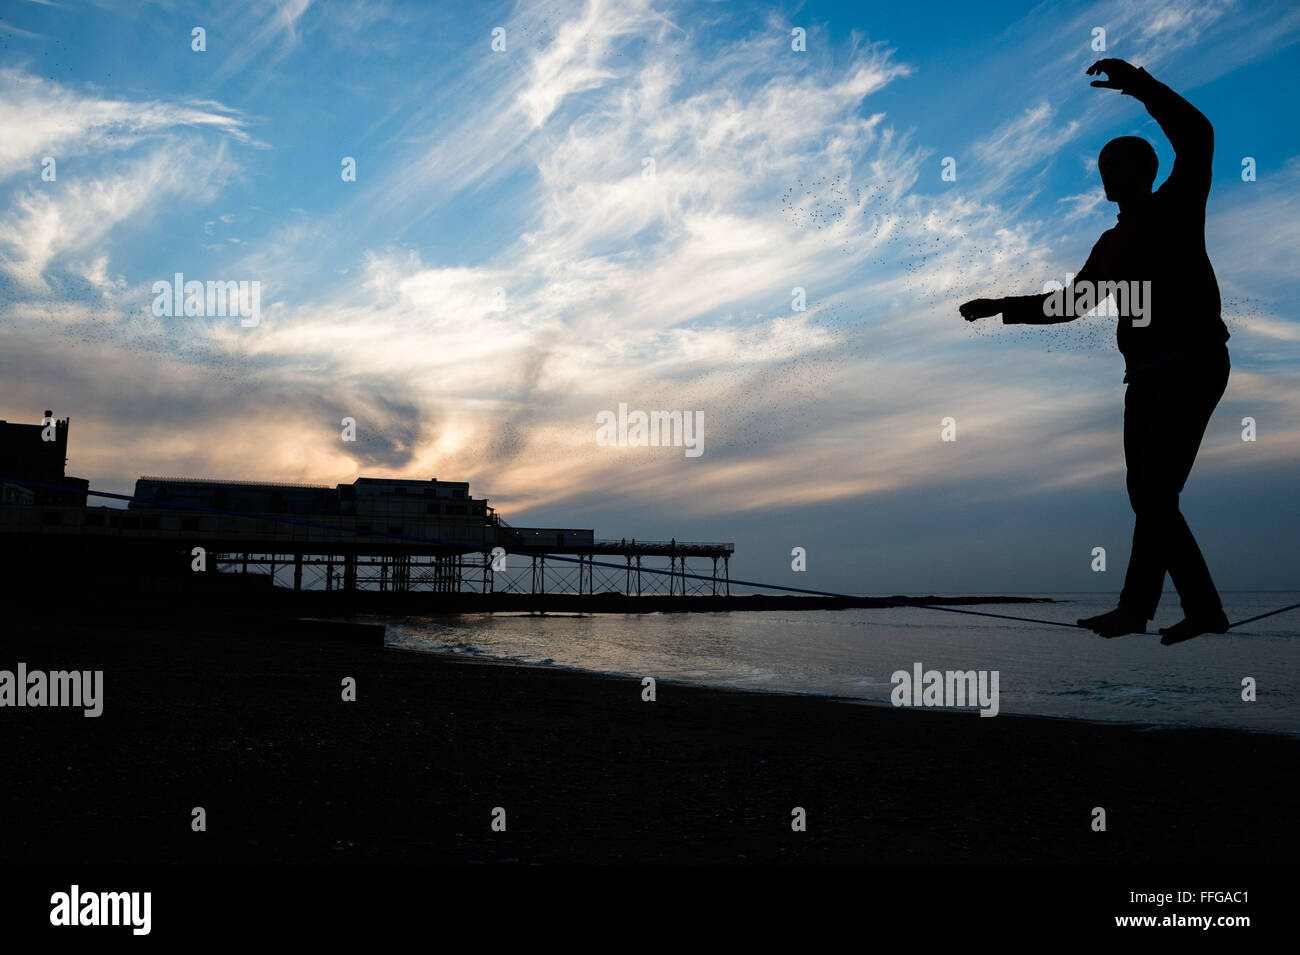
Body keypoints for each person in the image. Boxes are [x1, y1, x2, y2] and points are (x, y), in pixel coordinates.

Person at [960, 59, 1231, 645]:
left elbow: (1199, 134)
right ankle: (1185, 610)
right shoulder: (1109, 247)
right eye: (1104, 165)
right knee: (1150, 497)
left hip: (1194, 363)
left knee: (1153, 495)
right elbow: (1067, 305)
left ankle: (1150, 609)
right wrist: (998, 307)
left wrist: (1138, 84)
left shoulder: (1179, 202)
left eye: (1120, 161)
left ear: (1146, 169)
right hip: (1144, 377)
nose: (1109, 171)